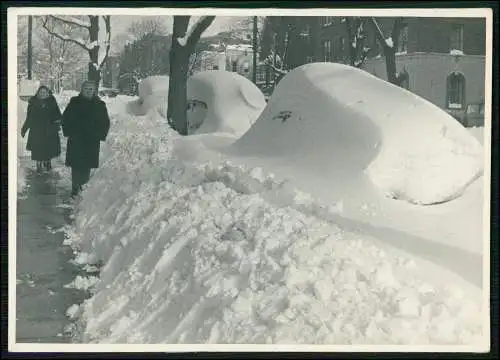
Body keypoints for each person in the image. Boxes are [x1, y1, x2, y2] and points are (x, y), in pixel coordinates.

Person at [62, 81, 110, 198]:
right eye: (86, 89)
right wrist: (69, 132)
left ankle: (83, 187)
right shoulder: (74, 103)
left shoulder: (100, 105)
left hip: (91, 139)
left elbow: (105, 122)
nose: (88, 91)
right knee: (76, 164)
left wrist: (100, 135)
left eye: (91, 89)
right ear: (82, 90)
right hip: (76, 138)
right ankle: (75, 187)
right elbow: (65, 118)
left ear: (94, 91)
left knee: (87, 165)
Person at [21, 85, 62, 172]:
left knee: (48, 147)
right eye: (41, 92)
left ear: (48, 93)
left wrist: (57, 123)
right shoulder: (33, 102)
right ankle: (38, 164)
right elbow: (29, 117)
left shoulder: (52, 101)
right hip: (37, 130)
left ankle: (48, 161)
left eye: (45, 92)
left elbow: (58, 114)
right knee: (37, 148)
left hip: (49, 129)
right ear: (38, 93)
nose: (43, 94)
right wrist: (24, 129)